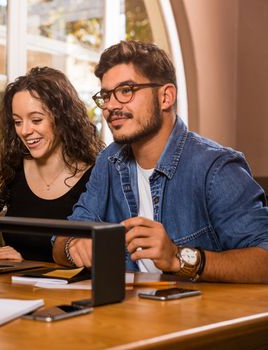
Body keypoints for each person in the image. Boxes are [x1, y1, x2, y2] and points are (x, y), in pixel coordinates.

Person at [53, 40, 268, 283]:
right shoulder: (109, 161)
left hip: (198, 316)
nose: (110, 106)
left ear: (165, 97)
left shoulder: (215, 167)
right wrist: (73, 245)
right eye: (106, 95)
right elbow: (61, 241)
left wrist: (179, 257)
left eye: (126, 91)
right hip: (124, 313)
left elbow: (264, 259)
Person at [0, 67, 104, 262]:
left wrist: (25, 261)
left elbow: (95, 253)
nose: (25, 131)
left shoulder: (97, 175)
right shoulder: (10, 169)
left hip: (70, 292)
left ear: (63, 118)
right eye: (17, 122)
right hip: (12, 288)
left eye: (36, 120)